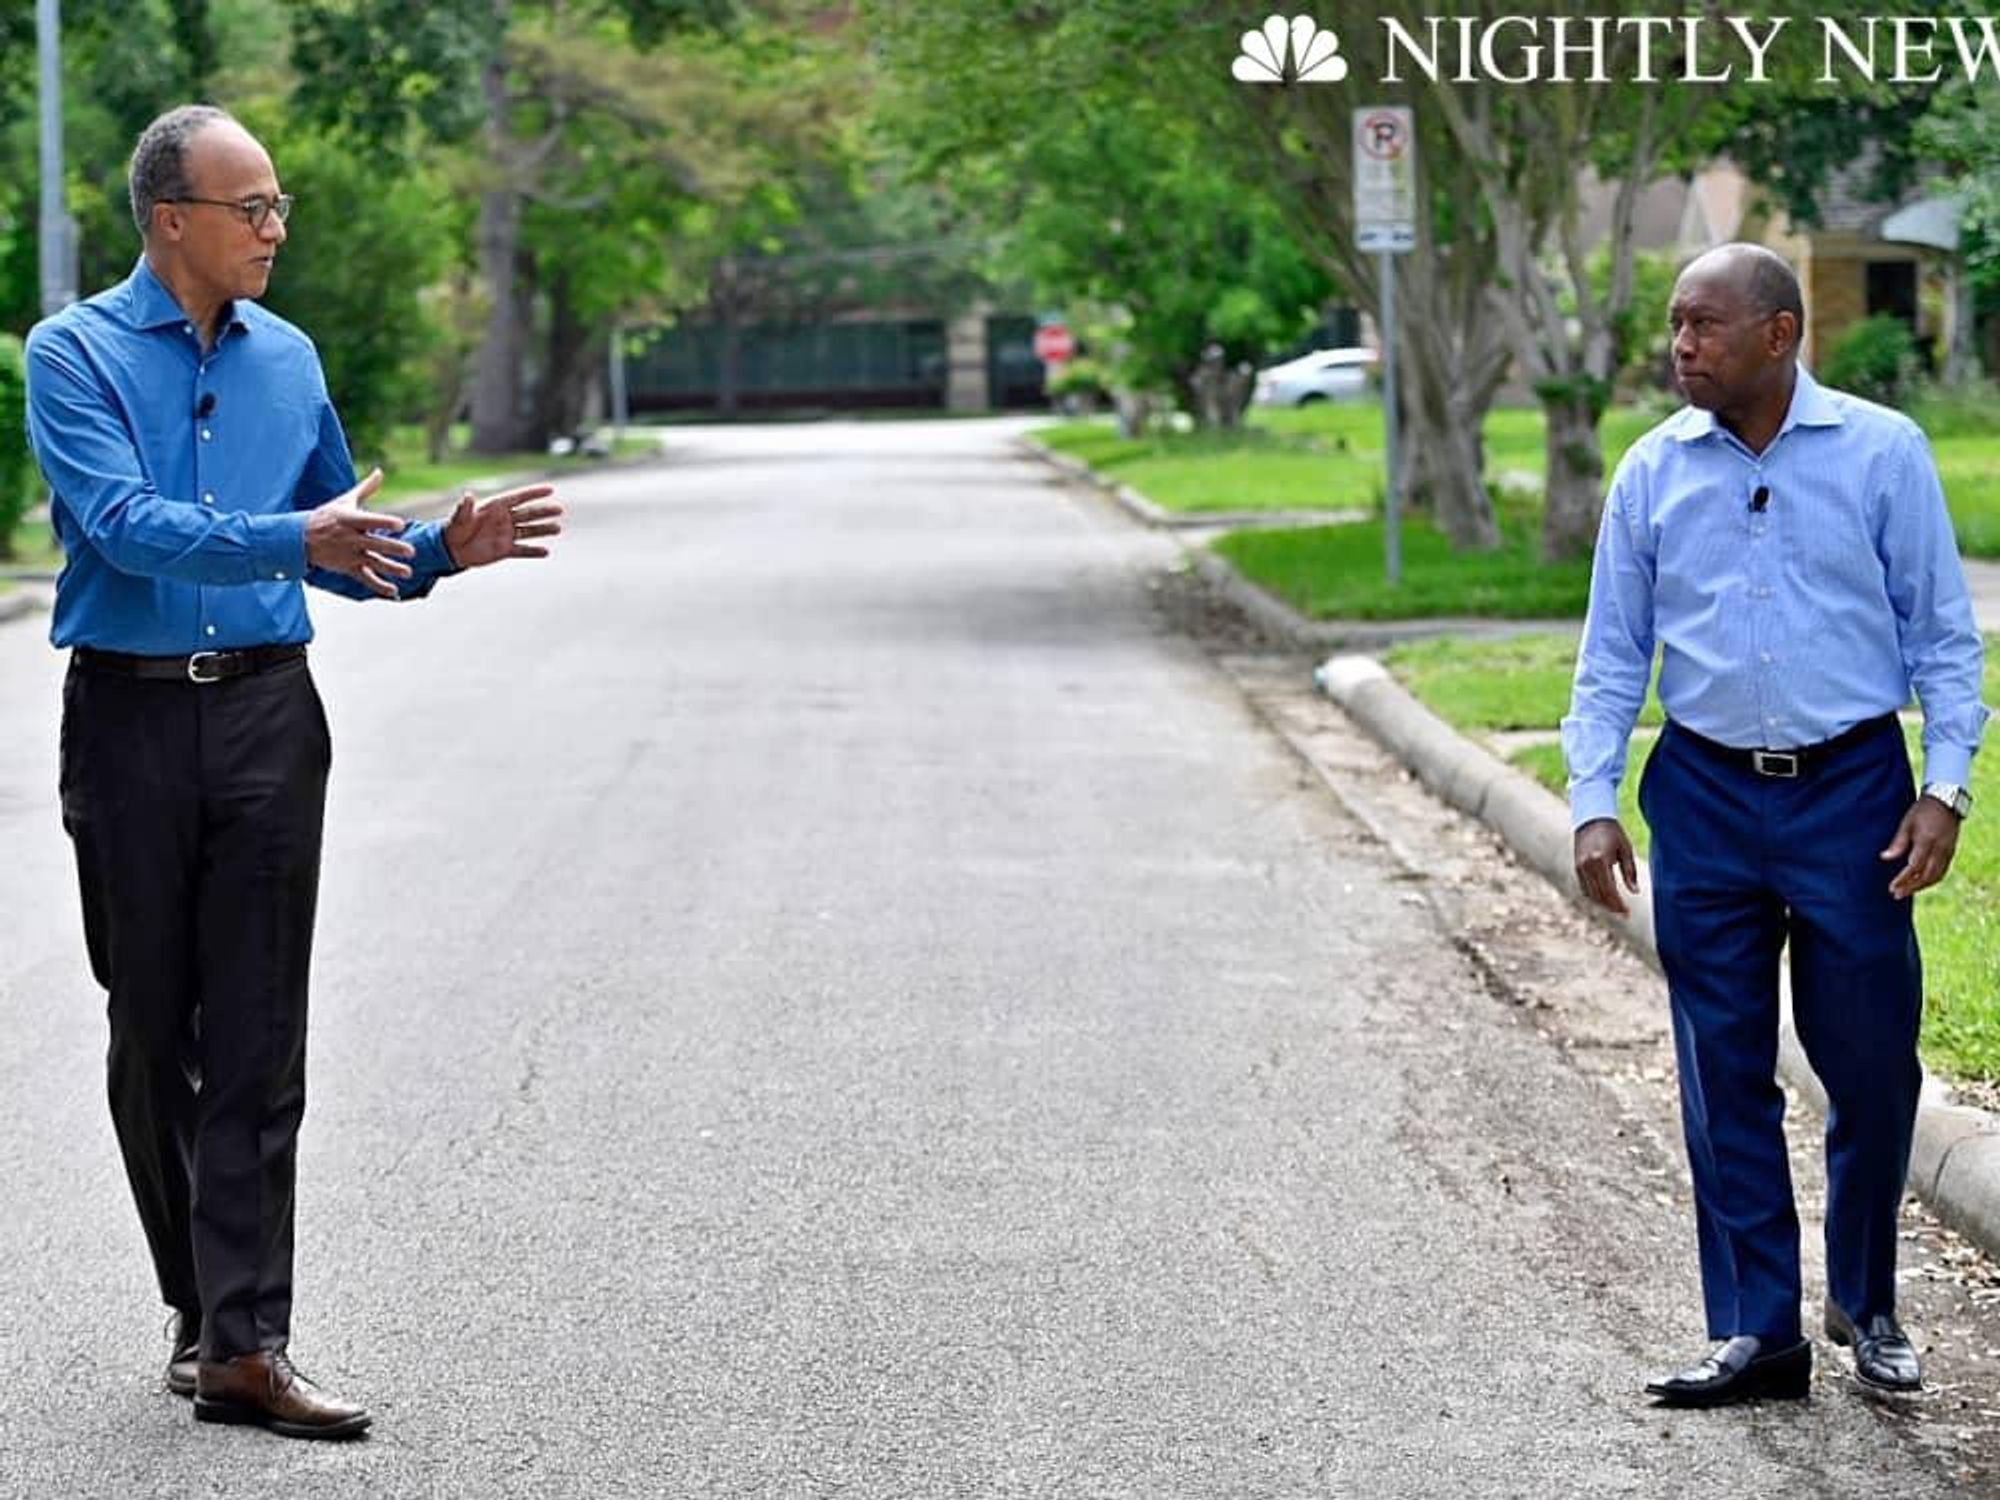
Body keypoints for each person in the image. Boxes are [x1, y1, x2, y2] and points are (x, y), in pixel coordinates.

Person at [25, 103, 564, 1440]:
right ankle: (199, 1304)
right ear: (171, 222)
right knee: (154, 1033)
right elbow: (125, 529)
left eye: (277, 208)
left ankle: (245, 1342)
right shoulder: (72, 353)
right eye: (250, 209)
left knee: (259, 1038)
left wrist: (442, 549)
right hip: (131, 723)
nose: (274, 230)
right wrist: (296, 536)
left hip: (270, 719)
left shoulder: (291, 358)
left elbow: (344, 544)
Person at [1563, 242, 1987, 1408]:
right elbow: (1608, 658)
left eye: (1701, 326)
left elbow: (1944, 643)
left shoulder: (1879, 455)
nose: (1680, 347)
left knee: (1867, 1064)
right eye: (1672, 326)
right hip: (1700, 794)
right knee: (1722, 1070)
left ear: (1779, 334)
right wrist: (1594, 803)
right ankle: (1758, 1331)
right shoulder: (1649, 473)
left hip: (1851, 789)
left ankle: (1865, 1301)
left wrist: (1939, 790)